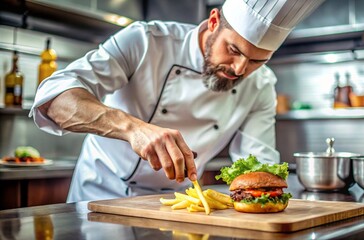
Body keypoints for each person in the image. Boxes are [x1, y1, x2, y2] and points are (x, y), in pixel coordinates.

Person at [30, 0, 324, 202]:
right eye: (233, 49)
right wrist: (133, 129)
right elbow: (54, 98)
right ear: (213, 22)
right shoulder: (145, 41)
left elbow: (257, 164)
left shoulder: (261, 85)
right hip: (99, 195)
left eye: (257, 61)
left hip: (177, 206)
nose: (239, 69)